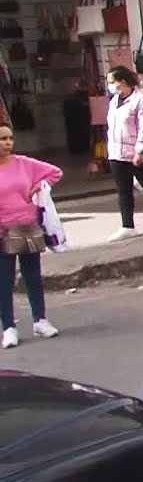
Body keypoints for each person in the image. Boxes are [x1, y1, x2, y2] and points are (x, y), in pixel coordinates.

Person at [0, 121, 62, 349]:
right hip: (3, 231)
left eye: (9, 138)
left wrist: (39, 186)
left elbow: (55, 173)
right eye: (2, 139)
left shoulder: (24, 163)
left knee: (33, 276)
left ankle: (40, 320)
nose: (7, 143)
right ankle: (8, 327)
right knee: (4, 281)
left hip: (28, 227)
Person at [105, 66, 143, 243]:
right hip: (117, 153)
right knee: (124, 190)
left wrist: (140, 150)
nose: (110, 86)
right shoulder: (114, 101)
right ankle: (127, 226)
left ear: (123, 82)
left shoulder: (140, 100)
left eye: (112, 82)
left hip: (136, 153)